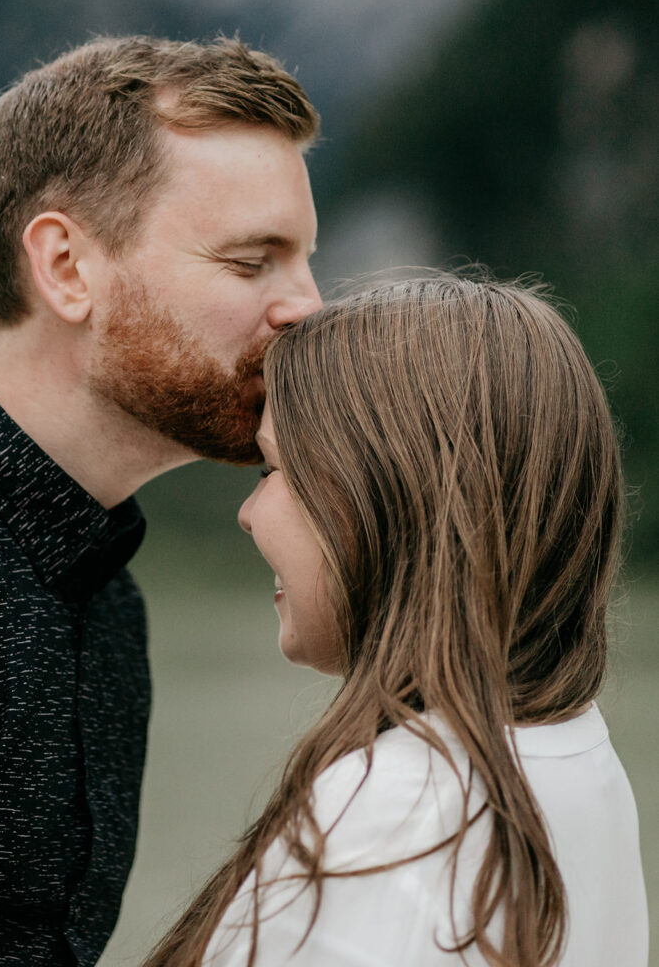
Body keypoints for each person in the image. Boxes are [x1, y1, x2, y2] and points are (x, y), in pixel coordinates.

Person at [0, 35, 321, 966]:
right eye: (254, 260)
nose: (307, 305)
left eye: (302, 260)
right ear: (65, 267)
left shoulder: (104, 591)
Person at [143, 275, 649, 967]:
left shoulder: (393, 824)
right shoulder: (573, 757)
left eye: (273, 468)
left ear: (390, 494)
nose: (248, 512)